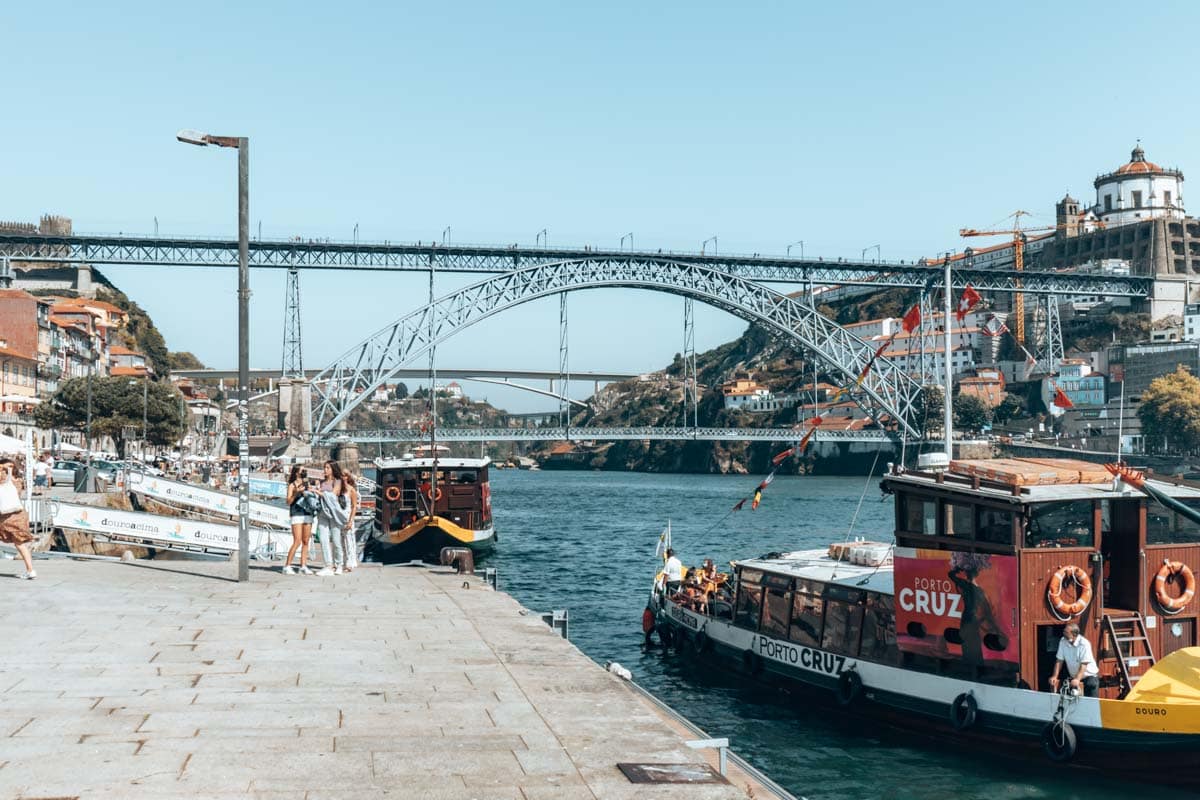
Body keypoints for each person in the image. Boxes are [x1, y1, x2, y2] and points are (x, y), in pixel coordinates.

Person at [0, 457, 36, 579]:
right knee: (19, 544)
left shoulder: (4, 478)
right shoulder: (19, 480)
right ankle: (30, 570)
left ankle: (30, 570)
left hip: (6, 516)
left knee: (19, 543)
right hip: (19, 514)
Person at [314, 460, 350, 576]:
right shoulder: (322, 482)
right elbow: (320, 495)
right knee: (323, 539)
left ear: (333, 469)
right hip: (322, 513)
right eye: (324, 467)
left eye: (328, 468)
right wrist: (315, 489)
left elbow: (333, 495)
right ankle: (328, 565)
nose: (325, 470)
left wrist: (319, 492)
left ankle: (339, 564)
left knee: (336, 540)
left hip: (334, 514)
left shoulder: (337, 481)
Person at [1049, 622, 1099, 697]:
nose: (1063, 633)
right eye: (1064, 631)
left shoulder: (1084, 644)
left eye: (1066, 632)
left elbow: (1084, 664)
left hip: (1089, 678)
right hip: (1074, 679)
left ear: (1074, 634)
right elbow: (1059, 660)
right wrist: (1054, 676)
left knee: (1091, 703)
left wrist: (1077, 679)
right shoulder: (1063, 641)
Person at [283, 466, 314, 575]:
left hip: (307, 513)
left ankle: (303, 565)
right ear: (296, 473)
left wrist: (310, 491)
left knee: (306, 541)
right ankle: (287, 566)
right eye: (302, 471)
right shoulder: (292, 485)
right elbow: (288, 501)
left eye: (305, 470)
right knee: (297, 541)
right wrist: (296, 493)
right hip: (296, 513)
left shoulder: (306, 483)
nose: (304, 472)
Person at [339, 467, 361, 573]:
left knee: (349, 540)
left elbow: (354, 506)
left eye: (344, 475)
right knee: (340, 541)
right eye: (341, 475)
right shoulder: (338, 489)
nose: (342, 477)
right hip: (339, 517)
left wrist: (351, 520)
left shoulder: (351, 490)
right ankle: (342, 562)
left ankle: (350, 563)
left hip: (348, 516)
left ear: (347, 477)